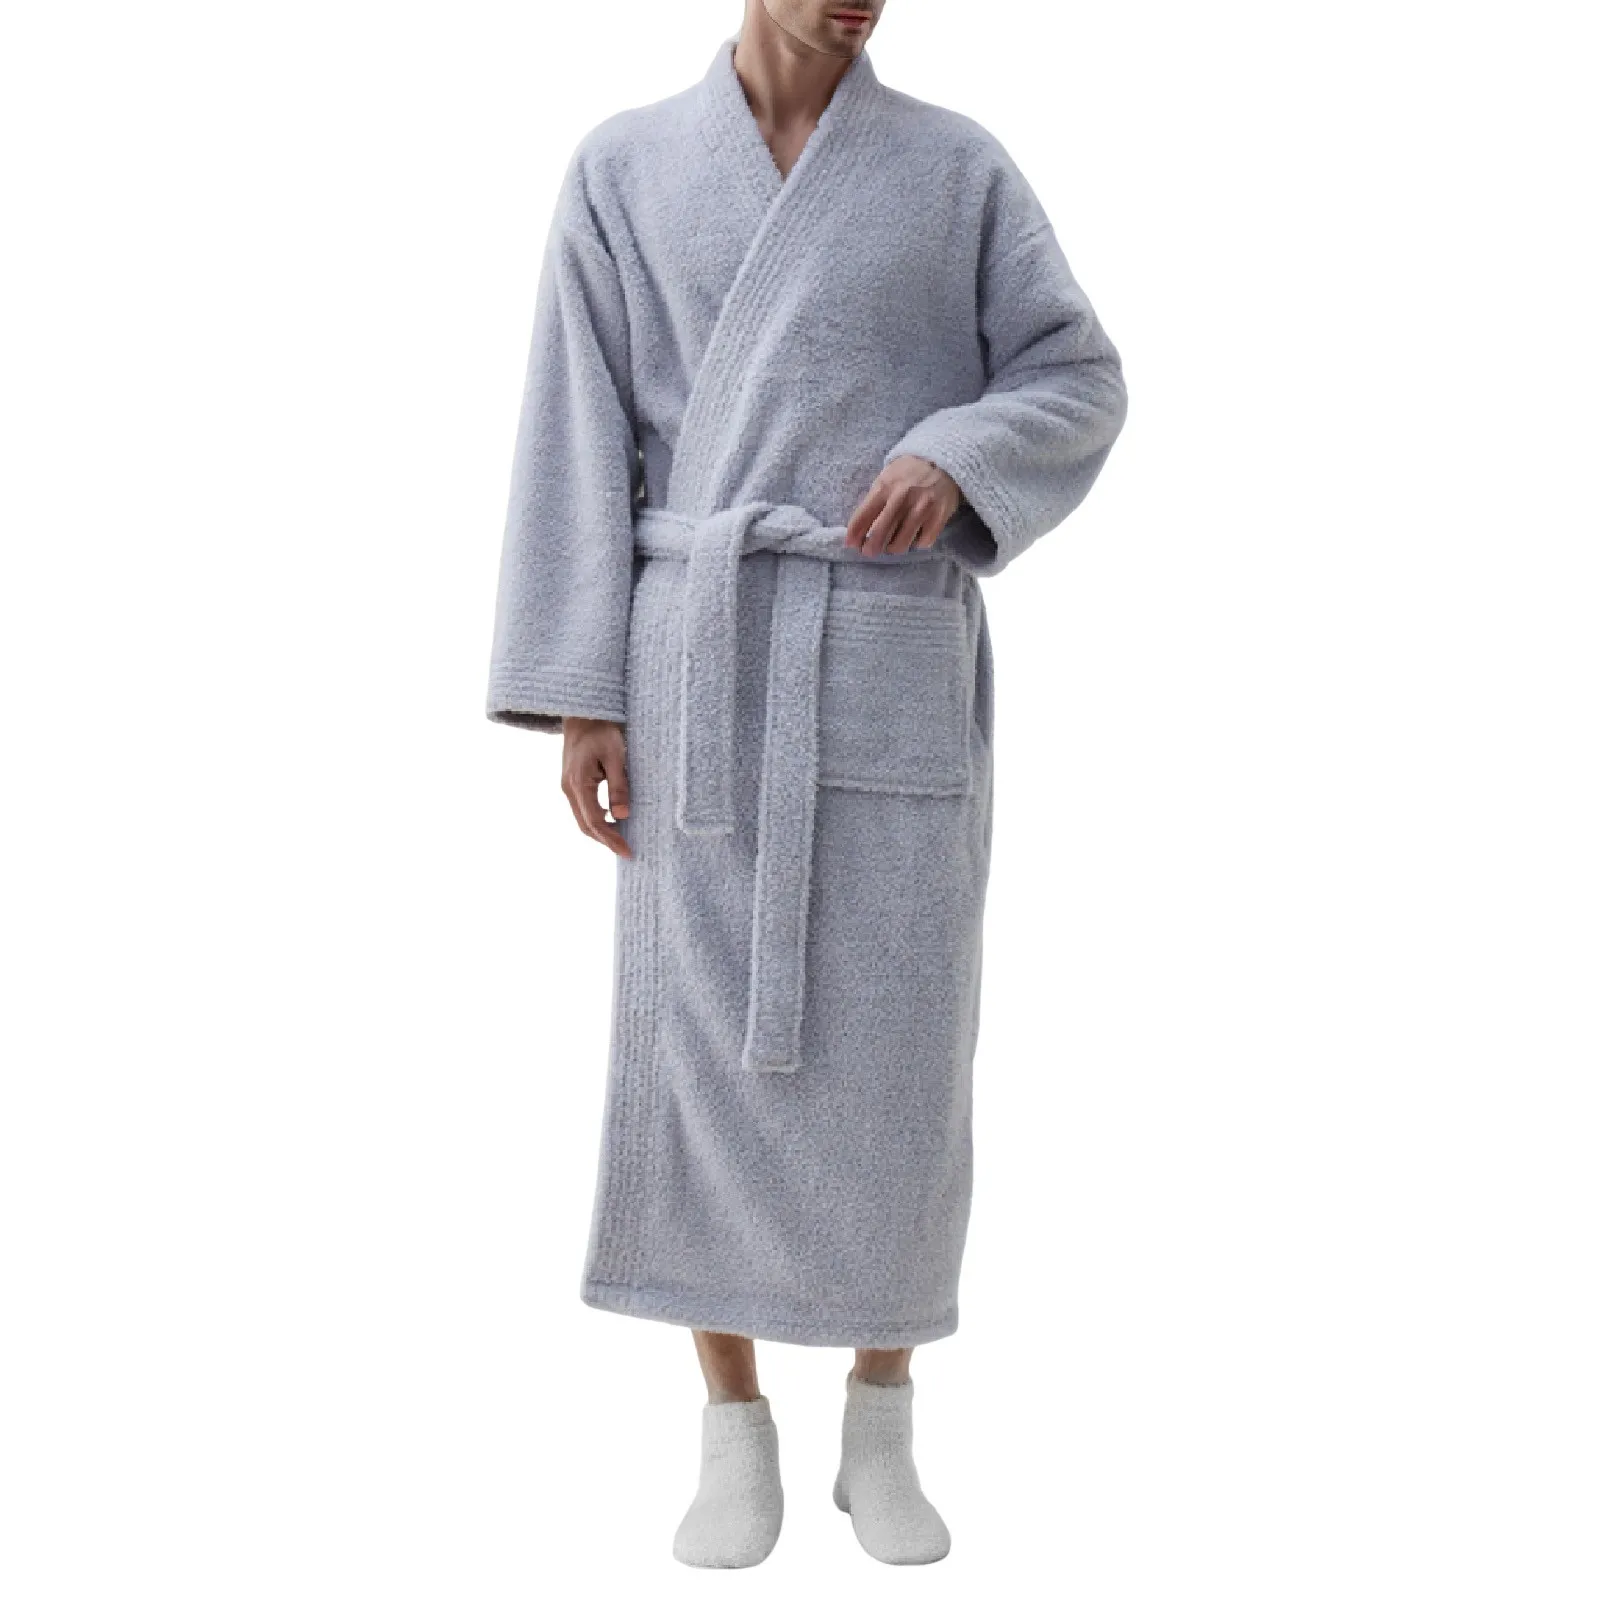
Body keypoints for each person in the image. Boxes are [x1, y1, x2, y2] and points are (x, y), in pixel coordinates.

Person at [485, 0, 1127, 1568]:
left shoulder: (957, 172)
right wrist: (582, 694)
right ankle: (732, 1430)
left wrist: (961, 451)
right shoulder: (624, 169)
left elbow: (1078, 373)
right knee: (699, 1048)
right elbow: (576, 435)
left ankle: (883, 1419)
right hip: (698, 665)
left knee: (900, 1053)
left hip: (883, 649)